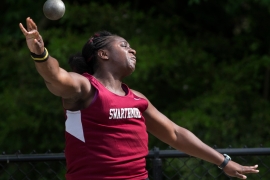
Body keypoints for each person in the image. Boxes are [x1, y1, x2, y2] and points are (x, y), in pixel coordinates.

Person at [19, 17, 259, 180]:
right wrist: (39, 52)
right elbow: (55, 76)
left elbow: (175, 134)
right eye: (124, 45)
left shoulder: (137, 99)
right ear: (103, 54)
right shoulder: (85, 87)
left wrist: (224, 162)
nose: (132, 50)